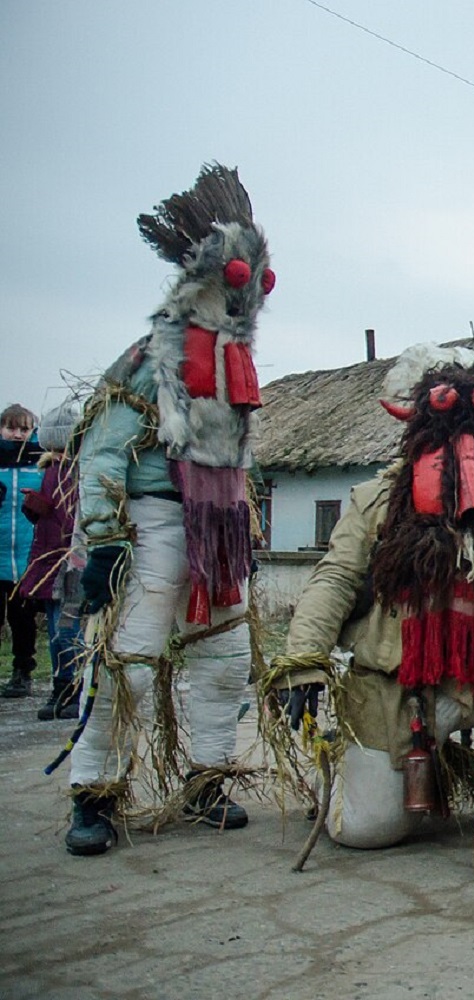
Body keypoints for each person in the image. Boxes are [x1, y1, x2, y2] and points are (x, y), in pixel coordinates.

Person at [268, 350, 474, 849]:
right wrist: (303, 661)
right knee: (366, 832)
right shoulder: (375, 501)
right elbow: (335, 580)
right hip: (397, 685)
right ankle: (355, 760)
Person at [62, 164, 272, 856]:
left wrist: (246, 524)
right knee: (131, 660)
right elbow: (102, 450)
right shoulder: (151, 356)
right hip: (156, 523)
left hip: (220, 536)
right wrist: (103, 541)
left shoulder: (236, 360)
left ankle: (206, 782)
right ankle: (94, 794)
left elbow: (236, 461)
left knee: (222, 662)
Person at [18, 403, 85, 720]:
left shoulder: (77, 473)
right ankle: (61, 686)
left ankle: (73, 686)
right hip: (51, 560)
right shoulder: (50, 472)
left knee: (67, 627)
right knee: (57, 629)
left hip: (72, 562)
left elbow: (75, 521)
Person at [1, 404, 43, 698]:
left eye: (24, 429)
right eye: (11, 428)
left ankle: (22, 672)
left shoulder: (41, 463)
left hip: (28, 556)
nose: (17, 435)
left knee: (23, 619)